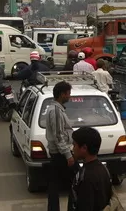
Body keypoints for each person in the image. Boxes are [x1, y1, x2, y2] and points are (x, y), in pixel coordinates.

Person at [44, 81, 74, 211]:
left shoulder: (58, 109)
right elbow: (58, 136)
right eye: (68, 94)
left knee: (56, 184)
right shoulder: (55, 110)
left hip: (61, 152)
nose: (69, 96)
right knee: (71, 182)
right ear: (62, 94)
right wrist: (68, 155)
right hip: (60, 154)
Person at [70, 127, 113, 211]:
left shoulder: (86, 177)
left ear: (84, 148)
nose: (72, 149)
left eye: (74, 145)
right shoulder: (104, 170)